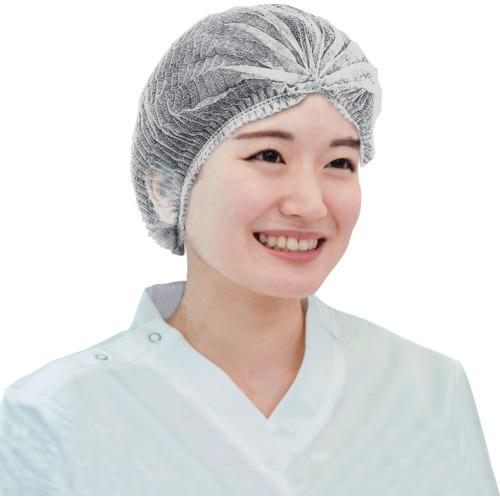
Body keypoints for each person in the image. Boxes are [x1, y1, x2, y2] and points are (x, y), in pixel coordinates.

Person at [0, 4, 498, 495]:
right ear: (167, 187)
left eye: (340, 163)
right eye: (269, 155)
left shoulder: (427, 391)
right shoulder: (55, 417)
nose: (310, 204)